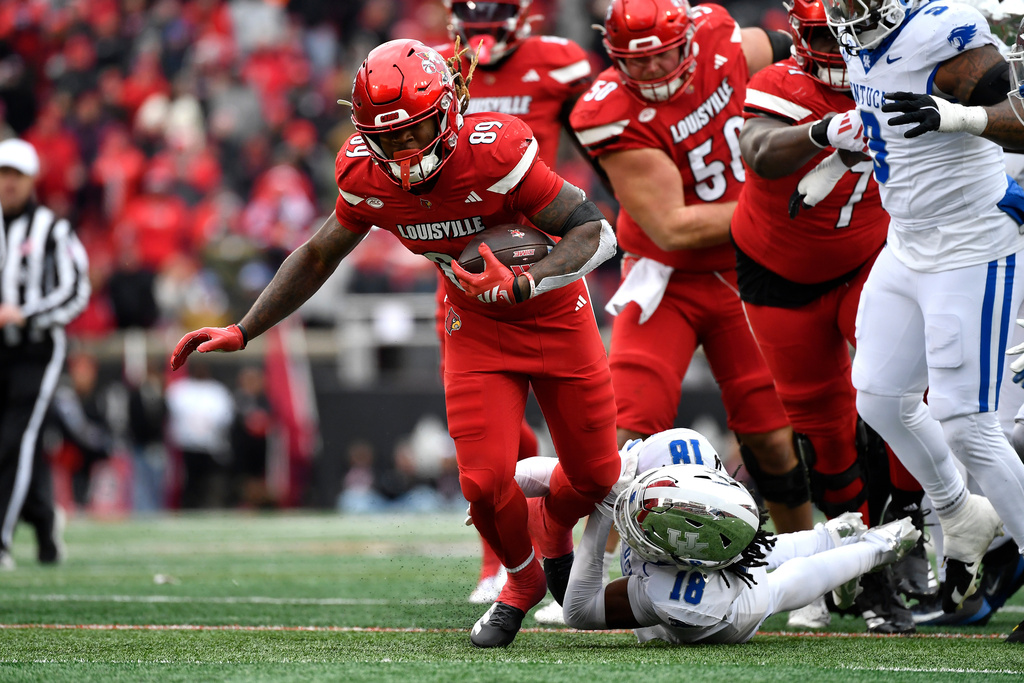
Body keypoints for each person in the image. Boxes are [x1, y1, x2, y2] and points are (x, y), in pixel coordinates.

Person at [169, 39, 621, 648]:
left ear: (451, 111)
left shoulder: (497, 152)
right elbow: (319, 252)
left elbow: (595, 228)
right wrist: (244, 327)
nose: (406, 152)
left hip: (555, 315)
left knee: (595, 477)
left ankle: (551, 520)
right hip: (475, 329)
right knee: (483, 483)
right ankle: (520, 582)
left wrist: (524, 280)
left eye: (417, 132)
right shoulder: (363, 171)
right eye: (392, 137)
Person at [569, 0, 823, 623]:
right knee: (623, 429)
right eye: (637, 58)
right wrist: (778, 201)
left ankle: (807, 581)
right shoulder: (605, 110)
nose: (653, 67)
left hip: (742, 272)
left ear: (688, 38)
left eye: (663, 51)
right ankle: (590, 576)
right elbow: (673, 226)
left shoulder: (719, 37)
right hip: (668, 280)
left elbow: (799, 64)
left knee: (770, 435)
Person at [797, 0, 1024, 642]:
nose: (841, 8)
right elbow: (891, 123)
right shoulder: (859, 39)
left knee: (970, 424)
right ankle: (960, 513)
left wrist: (962, 115)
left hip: (972, 241)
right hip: (906, 240)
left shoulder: (941, 30)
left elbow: (1020, 119)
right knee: (879, 399)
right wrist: (841, 161)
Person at [733, 0, 927, 632]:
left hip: (873, 255)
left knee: (897, 395)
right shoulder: (779, 84)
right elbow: (758, 152)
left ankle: (907, 531)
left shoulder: (907, 64)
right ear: (801, 34)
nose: (844, 43)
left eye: (854, 29)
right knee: (827, 433)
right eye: (828, 33)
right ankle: (866, 571)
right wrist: (823, 133)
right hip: (779, 275)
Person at [438, 0, 595, 608]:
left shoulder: (560, 63)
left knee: (590, 454)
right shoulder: (432, 72)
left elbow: (600, 143)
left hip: (544, 256)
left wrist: (595, 223)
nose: (479, 20)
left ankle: (554, 541)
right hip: (463, 268)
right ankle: (500, 563)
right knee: (485, 437)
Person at [501, 429, 921, 643]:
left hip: (717, 613)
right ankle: (831, 534)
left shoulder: (680, 589)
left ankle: (875, 548)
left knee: (774, 588)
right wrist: (500, 487)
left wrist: (603, 513)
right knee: (773, 551)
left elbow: (578, 611)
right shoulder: (652, 465)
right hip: (715, 541)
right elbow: (554, 471)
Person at [0, 138, 90, 569]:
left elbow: (77, 291)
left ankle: (1, 541)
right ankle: (44, 519)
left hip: (37, 348)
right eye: (2, 174)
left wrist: (25, 314)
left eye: (14, 175)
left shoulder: (52, 229)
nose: (7, 183)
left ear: (31, 179)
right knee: (22, 444)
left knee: (15, 439)